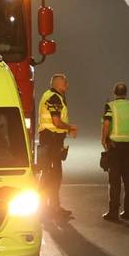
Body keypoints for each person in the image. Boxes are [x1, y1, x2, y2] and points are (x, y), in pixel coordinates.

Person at [100, 82, 129, 222]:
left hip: (115, 147)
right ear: (126, 93)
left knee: (114, 181)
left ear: (114, 92)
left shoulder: (111, 106)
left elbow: (107, 123)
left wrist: (104, 140)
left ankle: (113, 212)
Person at [36, 73, 78, 220]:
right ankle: (52, 208)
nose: (67, 85)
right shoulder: (54, 97)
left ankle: (45, 207)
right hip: (52, 141)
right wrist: (70, 128)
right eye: (65, 82)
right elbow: (56, 121)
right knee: (54, 176)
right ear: (59, 84)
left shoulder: (49, 95)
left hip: (49, 141)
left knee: (48, 175)